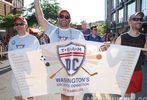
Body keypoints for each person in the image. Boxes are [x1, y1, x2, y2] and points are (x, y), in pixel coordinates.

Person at [34, 0, 85, 100]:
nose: (64, 18)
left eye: (67, 17)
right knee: (65, 95)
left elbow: (85, 50)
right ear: (58, 18)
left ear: (70, 19)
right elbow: (40, 17)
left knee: (70, 95)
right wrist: (36, 2)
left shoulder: (77, 33)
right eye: (61, 16)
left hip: (71, 69)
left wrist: (103, 47)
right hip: (57, 69)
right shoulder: (52, 30)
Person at [115, 12, 147, 100]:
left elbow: (145, 53)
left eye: (140, 19)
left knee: (133, 96)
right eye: (135, 19)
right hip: (125, 71)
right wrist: (107, 48)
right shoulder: (122, 37)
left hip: (137, 70)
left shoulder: (143, 37)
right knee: (126, 96)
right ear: (129, 22)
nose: (139, 21)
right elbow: (114, 56)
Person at [8, 16, 40, 100]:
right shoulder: (12, 40)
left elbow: (38, 55)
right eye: (16, 24)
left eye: (21, 24)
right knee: (17, 96)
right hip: (16, 72)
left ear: (25, 25)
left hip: (29, 72)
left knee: (30, 96)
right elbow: (10, 55)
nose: (18, 26)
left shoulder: (33, 39)